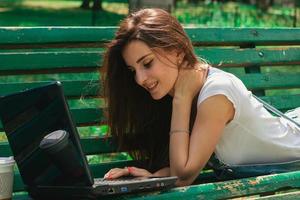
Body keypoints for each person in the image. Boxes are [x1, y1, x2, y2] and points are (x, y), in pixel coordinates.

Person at [102, 8, 300, 186]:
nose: (140, 79)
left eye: (147, 63)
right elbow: (187, 165)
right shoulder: (178, 92)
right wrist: (151, 177)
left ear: (177, 51)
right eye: (132, 70)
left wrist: (181, 99)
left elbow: (183, 177)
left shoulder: (216, 93)